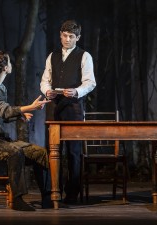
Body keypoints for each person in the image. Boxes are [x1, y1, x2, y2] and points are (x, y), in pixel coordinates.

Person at [0, 50, 52, 211]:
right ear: (4, 67)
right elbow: (2, 110)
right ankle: (18, 199)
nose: (11, 65)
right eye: (9, 62)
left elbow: (2, 114)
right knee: (15, 152)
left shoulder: (0, 87)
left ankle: (47, 198)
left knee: (40, 153)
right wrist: (29, 107)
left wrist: (20, 115)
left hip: (0, 138)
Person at [40, 19, 96, 203]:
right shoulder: (52, 55)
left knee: (73, 152)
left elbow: (90, 82)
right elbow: (45, 80)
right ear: (60, 35)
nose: (67, 39)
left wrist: (77, 91)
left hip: (73, 108)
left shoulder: (84, 56)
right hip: (54, 107)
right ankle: (51, 192)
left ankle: (72, 194)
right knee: (52, 150)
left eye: (71, 36)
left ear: (78, 38)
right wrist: (46, 90)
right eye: (64, 36)